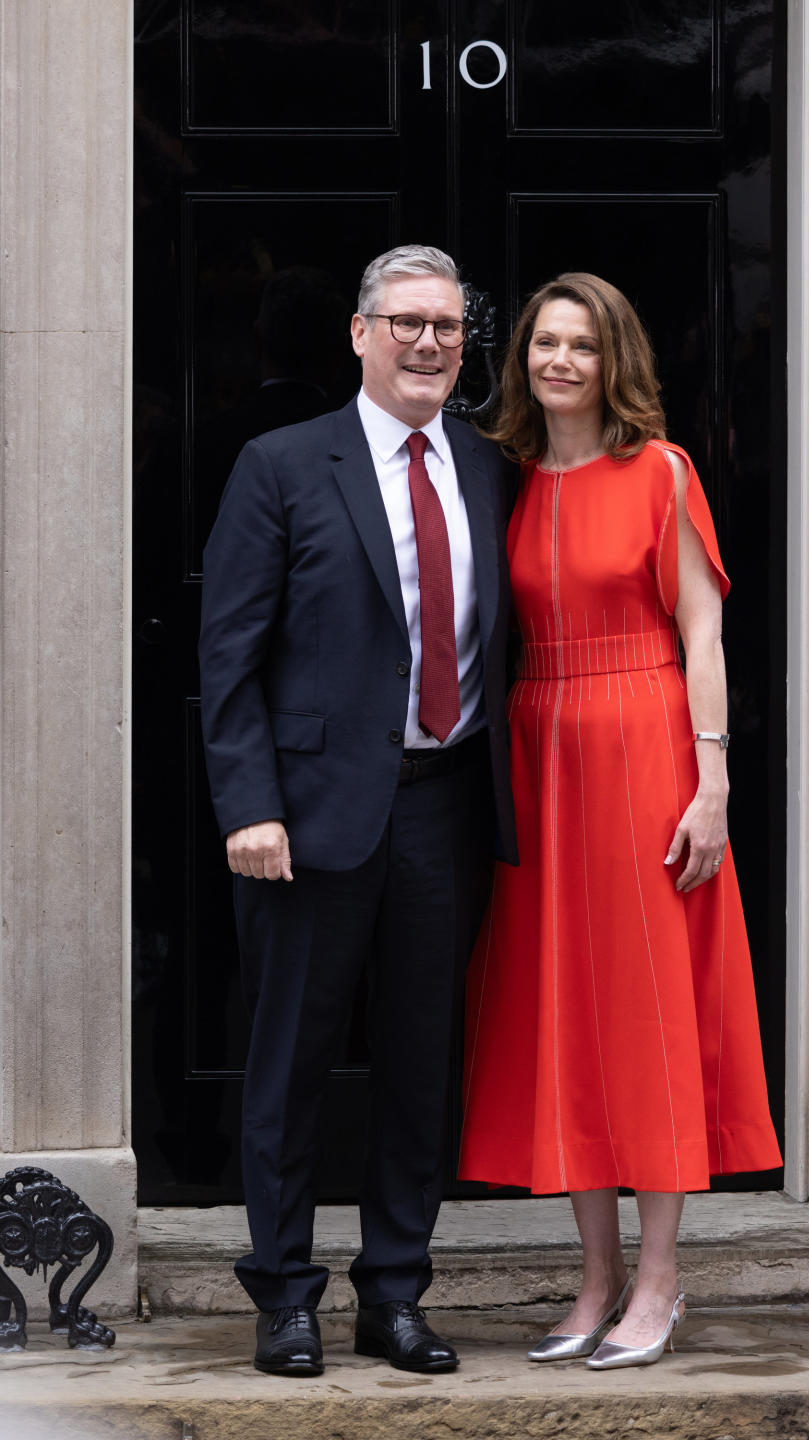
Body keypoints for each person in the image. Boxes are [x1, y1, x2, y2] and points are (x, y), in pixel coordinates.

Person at [199, 244, 517, 1378]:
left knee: (420, 1066)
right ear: (359, 333)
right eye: (406, 324)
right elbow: (228, 653)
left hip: (445, 812)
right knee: (286, 1065)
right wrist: (250, 802)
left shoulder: (487, 467)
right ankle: (283, 1293)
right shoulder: (282, 464)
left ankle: (395, 1292)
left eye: (446, 327)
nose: (428, 344)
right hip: (307, 818)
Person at [458, 273, 781, 1370]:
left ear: (614, 361)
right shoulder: (507, 479)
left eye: (581, 347)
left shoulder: (661, 470)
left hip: (644, 743)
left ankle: (659, 1281)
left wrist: (714, 783)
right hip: (538, 753)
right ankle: (593, 1280)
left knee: (644, 1015)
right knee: (568, 1013)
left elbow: (703, 635)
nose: (559, 362)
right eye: (545, 343)